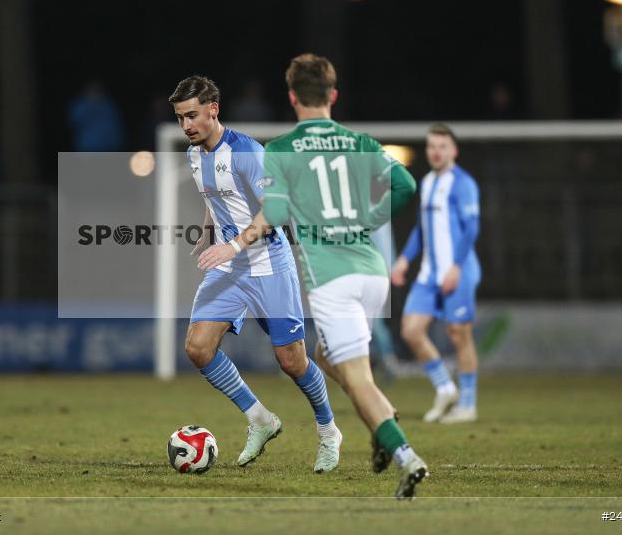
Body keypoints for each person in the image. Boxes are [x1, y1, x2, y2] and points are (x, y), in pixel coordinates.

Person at [259, 53, 428, 499]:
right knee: (326, 355)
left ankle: (405, 456)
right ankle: (382, 426)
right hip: (371, 273)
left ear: (293, 97)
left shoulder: (279, 150)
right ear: (333, 95)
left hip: (332, 279)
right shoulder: (363, 143)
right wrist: (370, 219)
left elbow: (274, 214)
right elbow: (407, 186)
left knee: (358, 379)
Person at [169, 75, 342, 473]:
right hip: (230, 267)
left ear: (214, 109)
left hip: (268, 264)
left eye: (192, 116)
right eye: (180, 118)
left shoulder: (247, 152)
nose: (186, 126)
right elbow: (214, 197)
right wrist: (209, 233)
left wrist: (232, 244)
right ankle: (260, 419)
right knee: (198, 348)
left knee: (291, 361)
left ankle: (329, 430)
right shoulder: (193, 154)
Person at [391, 123, 481, 424]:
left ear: (453, 150)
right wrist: (404, 259)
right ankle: (445, 388)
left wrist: (456, 266)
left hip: (459, 270)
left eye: (442, 146)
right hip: (429, 275)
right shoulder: (428, 182)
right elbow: (421, 228)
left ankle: (467, 404)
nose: (436, 152)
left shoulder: (463, 183)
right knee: (411, 331)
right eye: (431, 146)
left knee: (459, 335)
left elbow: (471, 229)